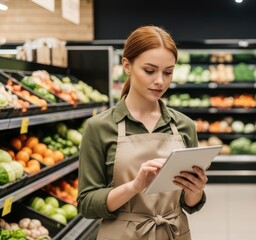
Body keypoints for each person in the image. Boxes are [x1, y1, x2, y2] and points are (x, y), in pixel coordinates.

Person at [77, 25, 207, 240]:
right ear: (127, 65)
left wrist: (195, 189)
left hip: (173, 232)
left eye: (168, 72)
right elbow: (87, 204)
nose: (160, 81)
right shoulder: (99, 127)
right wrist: (135, 186)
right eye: (149, 70)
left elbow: (189, 204)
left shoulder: (184, 125)